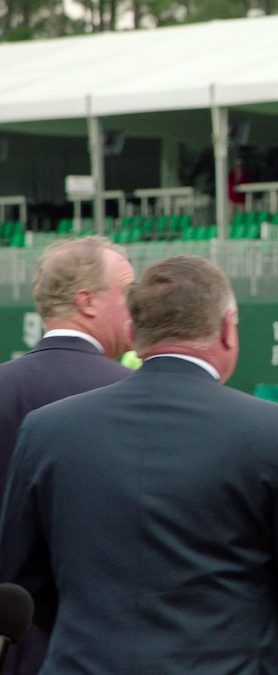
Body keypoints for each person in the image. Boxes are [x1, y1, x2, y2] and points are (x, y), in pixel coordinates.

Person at [0, 255, 278, 675]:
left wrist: (90, 637)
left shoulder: (46, 429)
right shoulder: (276, 430)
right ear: (226, 327)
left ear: (134, 330)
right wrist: (253, 648)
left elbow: (21, 571)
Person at [0, 236, 134, 675]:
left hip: (13, 638)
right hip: (112, 641)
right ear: (87, 301)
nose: (136, 307)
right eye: (127, 292)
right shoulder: (134, 394)